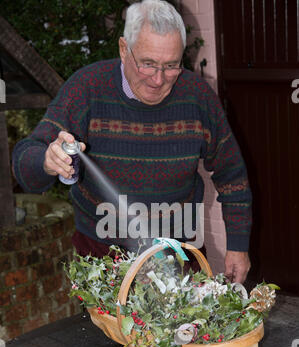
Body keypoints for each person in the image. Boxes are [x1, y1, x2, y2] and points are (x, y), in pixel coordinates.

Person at [12, 0, 252, 283]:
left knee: (188, 326)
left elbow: (232, 175)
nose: (158, 79)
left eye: (171, 65)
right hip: (103, 256)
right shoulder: (86, 89)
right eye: (148, 64)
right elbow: (25, 163)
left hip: (178, 250)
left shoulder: (198, 97)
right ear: (124, 50)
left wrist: (238, 246)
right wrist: (46, 160)